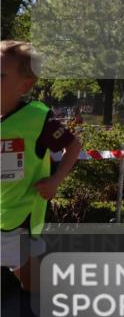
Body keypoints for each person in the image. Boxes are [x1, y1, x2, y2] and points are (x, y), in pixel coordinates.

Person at [1, 41, 83, 289]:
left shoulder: (36, 118)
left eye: (1, 76)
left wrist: (55, 181)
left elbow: (74, 146)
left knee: (34, 287)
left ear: (25, 85)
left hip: (21, 218)